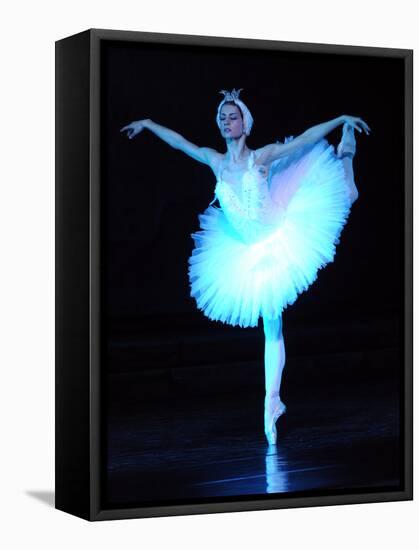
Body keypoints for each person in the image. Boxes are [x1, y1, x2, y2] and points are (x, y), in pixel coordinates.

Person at [120, 88, 371, 446]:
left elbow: (303, 139)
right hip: (247, 250)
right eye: (222, 117)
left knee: (347, 194)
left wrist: (341, 120)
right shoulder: (215, 160)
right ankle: (272, 402)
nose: (226, 122)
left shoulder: (262, 156)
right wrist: (148, 123)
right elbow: (179, 143)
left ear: (245, 123)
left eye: (232, 116)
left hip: (282, 232)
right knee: (271, 325)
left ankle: (346, 152)